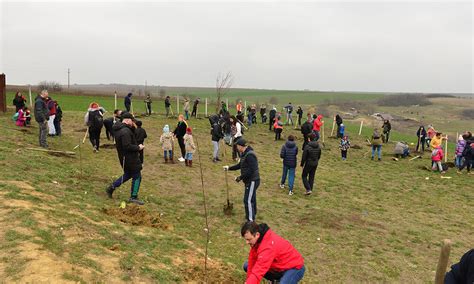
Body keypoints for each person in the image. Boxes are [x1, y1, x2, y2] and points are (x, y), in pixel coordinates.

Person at [241, 221, 305, 284]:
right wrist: (248, 280)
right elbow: (252, 261)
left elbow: (259, 270)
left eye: (249, 239)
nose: (247, 242)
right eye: (246, 239)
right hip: (279, 267)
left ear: (257, 234)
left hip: (294, 268)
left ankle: (286, 279)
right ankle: (278, 280)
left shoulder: (267, 246)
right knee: (247, 266)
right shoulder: (257, 241)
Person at [106, 113, 145, 205]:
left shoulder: (119, 129)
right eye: (132, 121)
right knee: (137, 176)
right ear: (127, 120)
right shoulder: (125, 131)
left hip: (124, 158)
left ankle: (111, 187)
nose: (133, 123)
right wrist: (138, 147)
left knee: (128, 174)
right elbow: (127, 146)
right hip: (130, 158)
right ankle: (133, 197)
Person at [223, 139, 260, 221]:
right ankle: (253, 213)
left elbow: (251, 170)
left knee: (248, 200)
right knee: (251, 198)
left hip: (252, 180)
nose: (236, 147)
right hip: (250, 180)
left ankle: (250, 221)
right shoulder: (244, 154)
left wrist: (240, 177)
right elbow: (240, 165)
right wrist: (229, 168)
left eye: (237, 146)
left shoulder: (250, 155)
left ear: (240, 146)